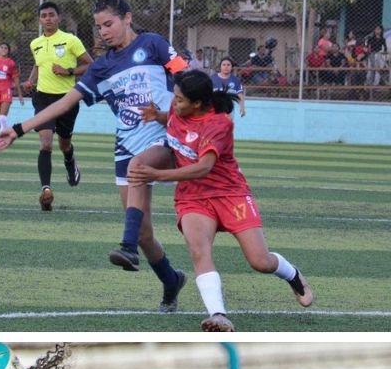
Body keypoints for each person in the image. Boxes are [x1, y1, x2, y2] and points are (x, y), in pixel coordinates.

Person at [0, 0, 188, 313]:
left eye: (108, 24)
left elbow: (185, 74)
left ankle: (127, 247)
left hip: (164, 136)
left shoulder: (152, 44)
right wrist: (19, 128)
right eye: (99, 27)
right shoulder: (101, 66)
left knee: (139, 171)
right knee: (144, 232)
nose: (103, 32)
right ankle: (171, 280)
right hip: (126, 145)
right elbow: (64, 102)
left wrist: (190, 108)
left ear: (127, 18)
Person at [131, 69, 313, 332]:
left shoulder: (219, 124)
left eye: (180, 99)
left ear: (197, 103)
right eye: (174, 97)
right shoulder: (177, 107)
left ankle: (293, 275)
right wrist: (155, 115)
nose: (174, 102)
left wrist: (157, 175)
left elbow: (203, 167)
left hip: (230, 193)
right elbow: (172, 119)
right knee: (199, 252)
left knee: (260, 261)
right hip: (193, 196)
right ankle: (218, 315)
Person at [21, 1, 93, 211]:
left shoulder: (71, 40)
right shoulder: (35, 43)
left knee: (64, 144)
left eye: (51, 15)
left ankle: (70, 160)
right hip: (43, 98)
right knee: (45, 144)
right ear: (39, 20)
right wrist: (30, 81)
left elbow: (90, 64)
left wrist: (69, 71)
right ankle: (46, 190)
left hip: (67, 99)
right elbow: (38, 65)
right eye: (44, 16)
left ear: (59, 18)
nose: (48, 19)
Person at [0, 43, 24, 134]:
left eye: (6, 48)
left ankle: (2, 136)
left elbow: (16, 79)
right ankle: (7, 130)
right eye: (2, 47)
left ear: (8, 51)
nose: (3, 49)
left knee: (2, 118)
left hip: (6, 91)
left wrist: (20, 94)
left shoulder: (10, 63)